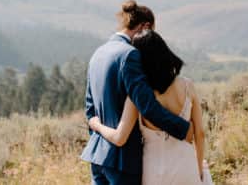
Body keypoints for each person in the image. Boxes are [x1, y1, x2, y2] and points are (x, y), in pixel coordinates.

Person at [82, 0, 192, 185]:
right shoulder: (130, 54)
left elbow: (90, 110)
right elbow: (147, 106)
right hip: (123, 160)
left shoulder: (98, 54)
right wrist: (185, 129)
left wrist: (98, 129)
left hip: (98, 156)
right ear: (145, 26)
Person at [89, 30, 212, 185]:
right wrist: (199, 168)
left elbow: (119, 138)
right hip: (185, 166)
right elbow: (199, 134)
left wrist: (96, 125)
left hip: (153, 171)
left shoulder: (137, 96)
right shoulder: (188, 86)